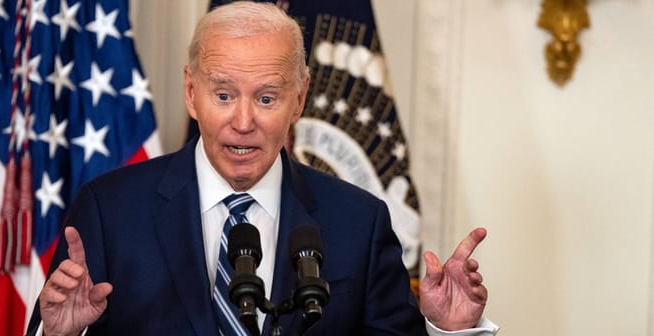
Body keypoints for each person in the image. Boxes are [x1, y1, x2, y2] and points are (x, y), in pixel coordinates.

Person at [26, 2, 499, 335]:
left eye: (267, 98)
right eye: (224, 95)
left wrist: (448, 330)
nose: (244, 121)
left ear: (300, 99)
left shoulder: (360, 222)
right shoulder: (109, 210)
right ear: (191, 93)